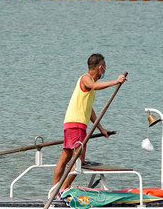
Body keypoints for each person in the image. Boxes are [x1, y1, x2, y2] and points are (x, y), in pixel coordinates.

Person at [51, 53, 126, 197]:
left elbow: (89, 110)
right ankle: (61, 189)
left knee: (65, 157)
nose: (104, 71)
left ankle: (54, 190)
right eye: (104, 68)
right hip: (77, 126)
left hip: (71, 124)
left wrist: (101, 129)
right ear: (100, 67)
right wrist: (115, 82)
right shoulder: (86, 78)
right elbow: (94, 86)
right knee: (79, 161)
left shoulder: (88, 86)